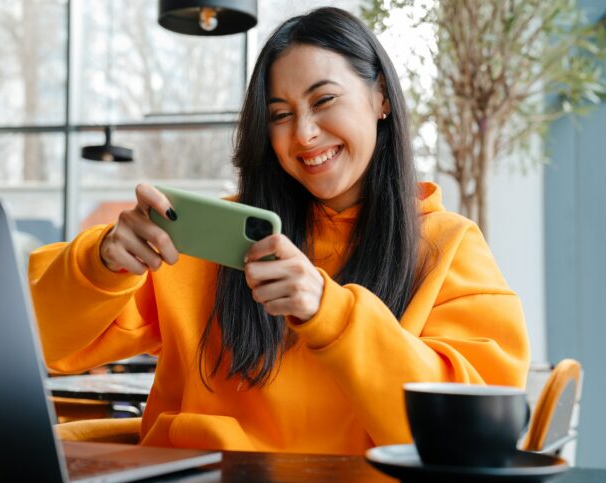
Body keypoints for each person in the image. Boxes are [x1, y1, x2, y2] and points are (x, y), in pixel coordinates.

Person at [29, 7, 530, 454]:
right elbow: (46, 344)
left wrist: (328, 312)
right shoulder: (212, 237)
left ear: (380, 97)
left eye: (324, 100)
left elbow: (471, 435)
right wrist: (103, 265)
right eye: (281, 115)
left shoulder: (447, 247)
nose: (304, 134)